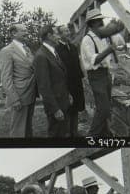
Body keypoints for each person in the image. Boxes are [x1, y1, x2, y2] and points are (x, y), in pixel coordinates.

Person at [80, 8, 125, 137]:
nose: (101, 23)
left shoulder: (104, 36)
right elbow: (94, 60)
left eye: (101, 20)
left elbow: (121, 42)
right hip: (96, 75)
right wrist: (109, 50)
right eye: (98, 21)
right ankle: (92, 135)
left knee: (106, 106)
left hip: (105, 73)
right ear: (91, 23)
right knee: (103, 108)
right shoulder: (87, 40)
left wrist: (119, 28)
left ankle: (105, 133)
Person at [32, 24, 71, 138]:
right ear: (49, 36)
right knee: (56, 134)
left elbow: (60, 77)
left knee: (63, 132)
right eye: (57, 34)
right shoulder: (41, 56)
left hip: (62, 101)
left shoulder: (52, 51)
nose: (59, 36)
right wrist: (55, 110)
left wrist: (67, 95)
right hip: (56, 105)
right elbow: (44, 87)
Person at [0, 23, 37, 137]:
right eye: (23, 30)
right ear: (13, 33)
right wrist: (14, 99)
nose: (26, 33)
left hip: (31, 93)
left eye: (26, 30)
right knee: (18, 130)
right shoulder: (7, 51)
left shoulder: (27, 49)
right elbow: (6, 78)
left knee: (28, 127)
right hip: (19, 95)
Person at [56, 25, 85, 138]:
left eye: (68, 30)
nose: (68, 33)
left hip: (76, 83)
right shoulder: (57, 49)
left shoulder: (73, 47)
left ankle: (75, 131)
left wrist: (82, 77)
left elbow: (78, 63)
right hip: (65, 84)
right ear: (59, 34)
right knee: (67, 108)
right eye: (65, 31)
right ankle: (67, 133)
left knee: (76, 107)